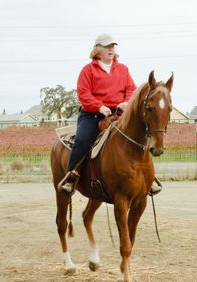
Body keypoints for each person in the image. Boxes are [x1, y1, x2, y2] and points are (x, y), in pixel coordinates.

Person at [58, 33, 162, 196]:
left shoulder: (122, 69)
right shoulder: (88, 70)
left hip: (119, 113)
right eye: (107, 47)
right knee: (83, 139)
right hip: (92, 114)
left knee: (137, 137)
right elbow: (83, 94)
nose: (111, 49)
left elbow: (131, 89)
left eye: (112, 46)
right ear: (97, 49)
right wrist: (99, 107)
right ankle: (71, 176)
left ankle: (147, 177)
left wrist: (126, 102)